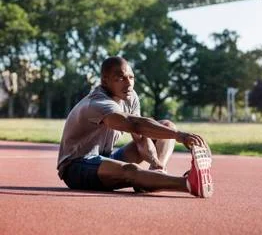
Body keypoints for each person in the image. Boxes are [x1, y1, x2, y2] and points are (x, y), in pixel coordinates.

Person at [56, 56, 213, 198]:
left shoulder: (129, 97)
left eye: (131, 77)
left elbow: (140, 139)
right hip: (76, 168)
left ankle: (154, 176)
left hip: (105, 159)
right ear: (105, 81)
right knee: (130, 169)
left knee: (166, 125)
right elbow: (136, 125)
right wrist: (180, 136)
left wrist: (156, 164)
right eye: (121, 78)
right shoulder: (97, 104)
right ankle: (189, 184)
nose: (129, 83)